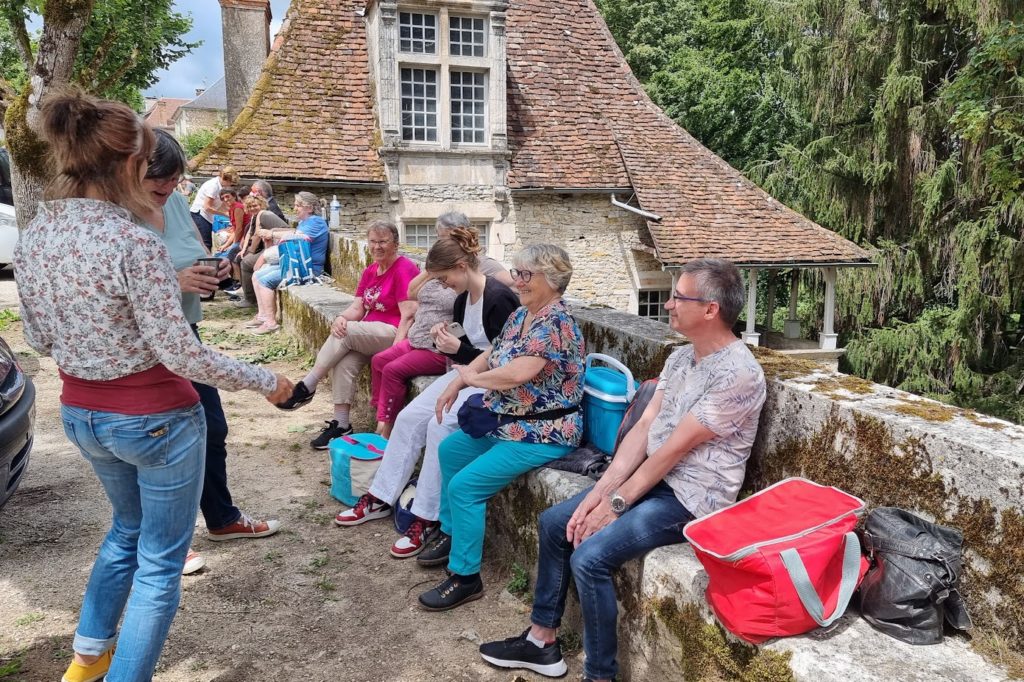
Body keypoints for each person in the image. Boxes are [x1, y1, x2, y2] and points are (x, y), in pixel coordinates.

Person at [14, 91, 292, 682]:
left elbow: (39, 339)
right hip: (156, 418)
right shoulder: (133, 242)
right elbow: (180, 353)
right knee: (160, 566)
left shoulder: (35, 235)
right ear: (131, 165)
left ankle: (87, 658)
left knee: (125, 530)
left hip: (81, 413)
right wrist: (269, 381)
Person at [478, 259, 766, 682]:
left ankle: (600, 675)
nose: (667, 304)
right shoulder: (682, 358)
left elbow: (672, 451)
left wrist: (614, 504)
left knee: (590, 558)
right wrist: (603, 489)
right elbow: (646, 427)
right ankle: (541, 641)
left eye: (678, 297)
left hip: (689, 497)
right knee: (556, 523)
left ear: (710, 309)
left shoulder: (739, 374)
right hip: (653, 478)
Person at [140, 129, 283, 576]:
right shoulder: (115, 218)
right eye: (157, 184)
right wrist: (173, 282)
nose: (167, 191)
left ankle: (220, 518)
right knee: (157, 443)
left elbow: (192, 252)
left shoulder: (177, 204)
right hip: (142, 346)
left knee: (212, 426)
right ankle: (166, 538)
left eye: (173, 182)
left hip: (187, 329)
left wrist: (216, 267)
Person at [416, 244, 586, 611]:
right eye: (517, 272)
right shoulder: (523, 314)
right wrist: (458, 382)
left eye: (526, 275)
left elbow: (517, 373)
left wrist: (471, 381)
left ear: (552, 281)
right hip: (512, 423)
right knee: (450, 450)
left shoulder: (556, 322)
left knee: (465, 487)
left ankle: (465, 577)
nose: (517, 281)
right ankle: (451, 532)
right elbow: (494, 352)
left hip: (545, 431)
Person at [334, 229, 519, 559]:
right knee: (407, 419)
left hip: (487, 382)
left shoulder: (499, 298)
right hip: (463, 373)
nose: (443, 285)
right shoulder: (464, 299)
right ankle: (381, 495)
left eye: (444, 277)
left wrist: (456, 349)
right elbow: (467, 342)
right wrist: (447, 338)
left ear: (462, 266)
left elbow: (502, 357)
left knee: (439, 426)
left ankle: (426, 515)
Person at [275, 221, 420, 449]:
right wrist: (342, 317)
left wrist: (396, 350)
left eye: (383, 242)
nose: (377, 247)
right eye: (373, 241)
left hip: (393, 334)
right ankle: (341, 424)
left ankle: (308, 385)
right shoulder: (371, 271)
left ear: (395, 244)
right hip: (369, 333)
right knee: (343, 359)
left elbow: (409, 316)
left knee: (347, 333)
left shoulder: (404, 268)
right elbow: (358, 308)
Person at [368, 262, 455, 440]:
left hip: (436, 348)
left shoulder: (461, 278)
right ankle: (381, 416)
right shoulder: (435, 272)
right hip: (416, 338)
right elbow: (411, 293)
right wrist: (431, 270)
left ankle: (387, 432)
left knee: (393, 370)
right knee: (379, 361)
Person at [249, 191, 329, 334]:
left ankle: (271, 322)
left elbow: (298, 237)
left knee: (264, 281)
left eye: (298, 205)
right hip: (296, 264)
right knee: (256, 275)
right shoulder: (305, 222)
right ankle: (262, 316)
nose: (294, 208)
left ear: (309, 208)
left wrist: (271, 234)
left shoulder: (316, 222)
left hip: (307, 269)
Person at [435, 211, 514, 287]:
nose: (443, 244)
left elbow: (515, 286)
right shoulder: (440, 264)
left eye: (451, 239)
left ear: (466, 238)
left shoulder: (485, 264)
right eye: (440, 239)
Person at [189, 166, 238, 250]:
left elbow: (221, 204)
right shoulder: (213, 186)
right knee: (206, 243)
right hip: (200, 215)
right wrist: (225, 214)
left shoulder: (221, 187)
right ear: (225, 179)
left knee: (205, 243)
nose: (230, 185)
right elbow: (207, 207)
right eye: (230, 182)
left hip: (206, 216)